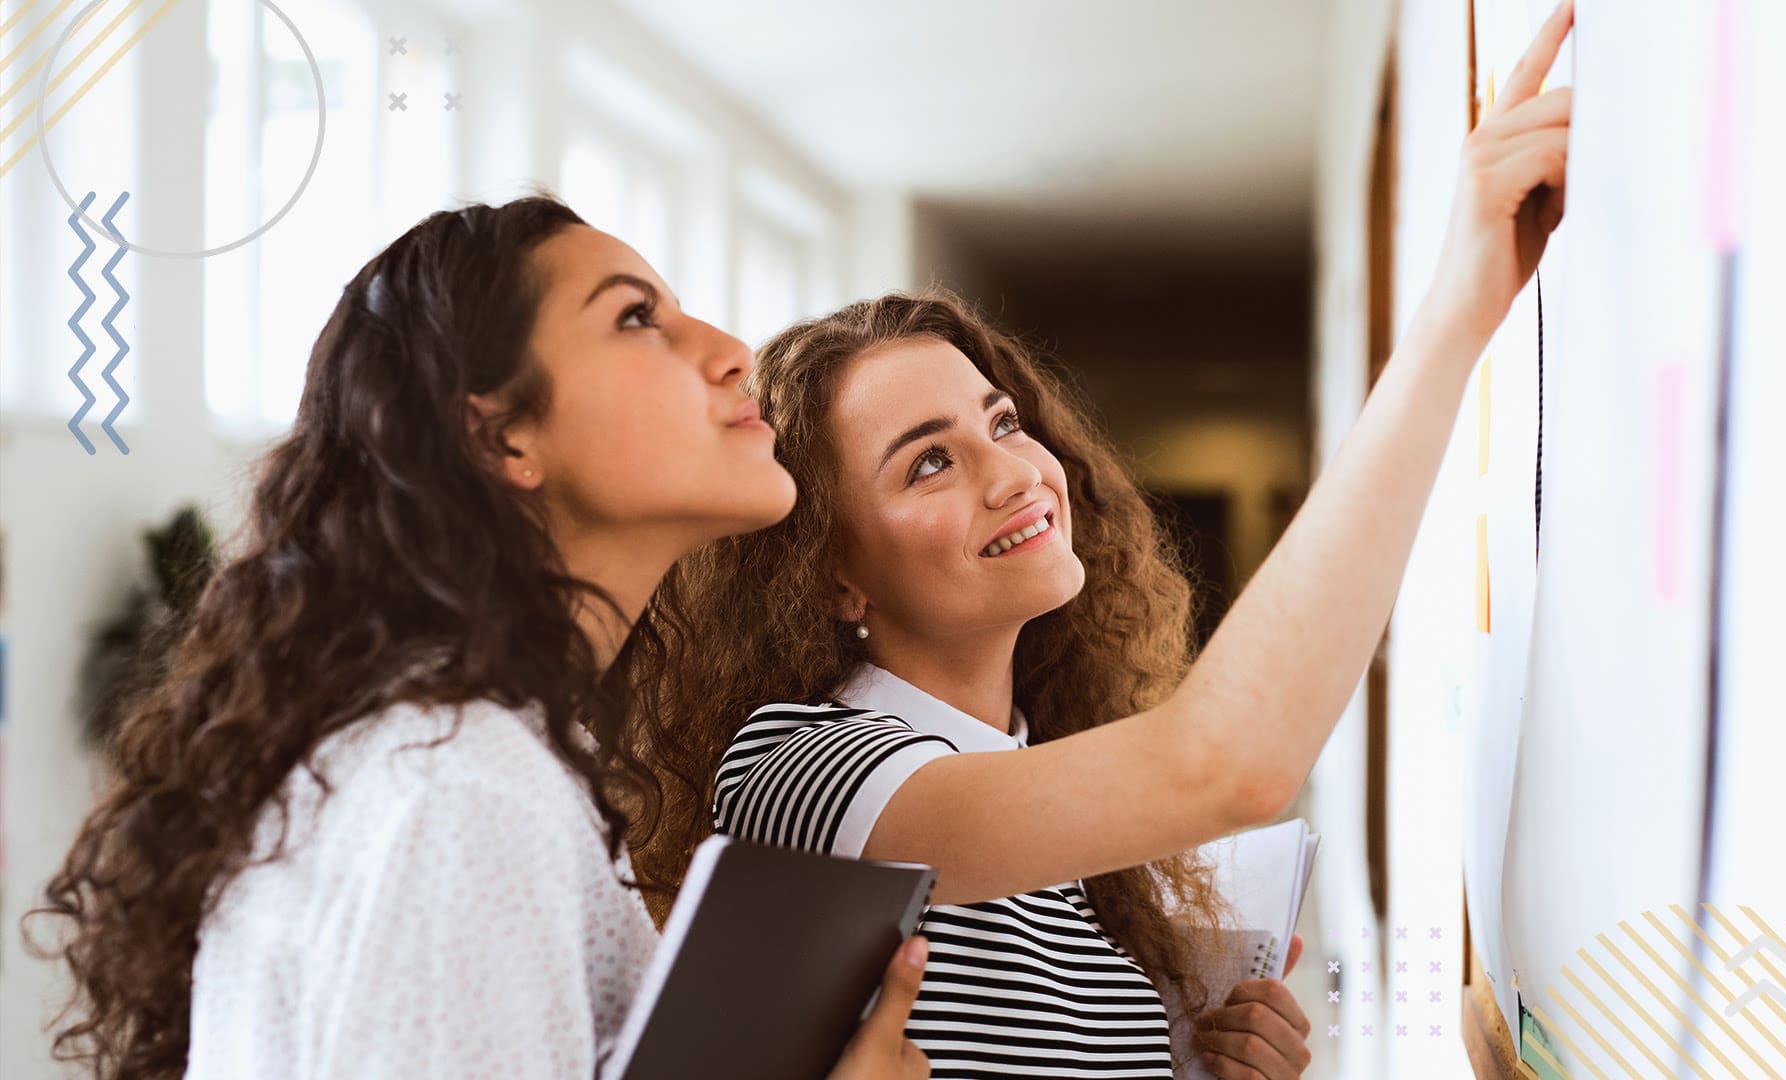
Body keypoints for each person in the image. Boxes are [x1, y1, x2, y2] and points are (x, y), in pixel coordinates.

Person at [628, 6, 1577, 1078]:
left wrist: (1191, 1067)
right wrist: (1457, 307)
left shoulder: (1044, 795)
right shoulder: (800, 773)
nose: (1015, 471)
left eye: (999, 422)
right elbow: (1230, 769)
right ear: (829, 572)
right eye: (928, 461)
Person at [29, 197, 929, 1079]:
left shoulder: (483, 753)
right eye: (636, 317)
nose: (733, 355)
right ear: (501, 434)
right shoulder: (459, 785)